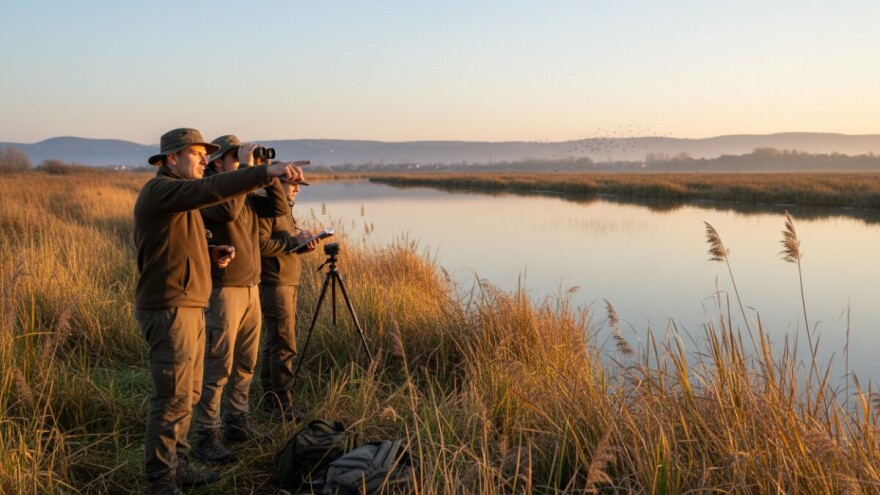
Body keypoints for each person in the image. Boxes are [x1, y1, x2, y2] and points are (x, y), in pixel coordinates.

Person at [133, 128, 299, 495]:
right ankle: (160, 481)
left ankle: (180, 464)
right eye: (196, 154)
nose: (204, 160)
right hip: (168, 307)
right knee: (172, 396)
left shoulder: (181, 199)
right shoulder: (161, 191)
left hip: (189, 302)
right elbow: (211, 193)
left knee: (189, 393)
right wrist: (262, 171)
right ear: (172, 159)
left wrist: (209, 255)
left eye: (207, 154)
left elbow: (177, 243)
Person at [191, 135, 306, 464]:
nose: (242, 163)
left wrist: (267, 172)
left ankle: (237, 422)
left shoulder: (247, 192)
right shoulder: (209, 191)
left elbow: (279, 207)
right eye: (234, 158)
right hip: (223, 289)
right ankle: (207, 434)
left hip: (252, 286)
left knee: (245, 364)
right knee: (219, 367)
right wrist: (245, 171)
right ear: (219, 163)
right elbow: (227, 211)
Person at [258, 174, 321, 421]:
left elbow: (282, 243)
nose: (297, 189)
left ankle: (270, 401)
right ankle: (283, 406)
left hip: (287, 280)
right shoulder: (267, 209)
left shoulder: (284, 208)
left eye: (299, 185)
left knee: (274, 343)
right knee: (284, 345)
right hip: (275, 282)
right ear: (276, 184)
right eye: (292, 184)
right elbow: (260, 245)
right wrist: (293, 241)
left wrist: (301, 245)